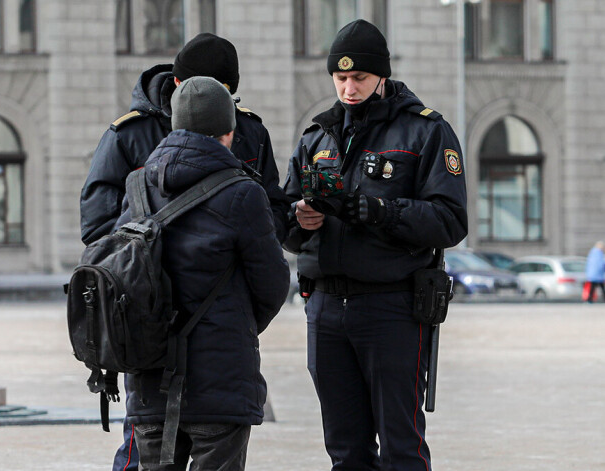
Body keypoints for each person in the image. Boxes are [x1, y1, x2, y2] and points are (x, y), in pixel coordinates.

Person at [78, 33, 289, 471]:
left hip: (172, 360)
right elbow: (102, 240)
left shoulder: (250, 130)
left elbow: (275, 214)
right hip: (162, 346)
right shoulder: (128, 136)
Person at [282, 20, 468, 471]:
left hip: (392, 308)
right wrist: (299, 220)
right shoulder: (317, 136)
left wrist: (380, 211)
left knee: (401, 449)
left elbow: (450, 219)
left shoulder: (425, 132)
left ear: (381, 75)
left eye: (359, 78)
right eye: (341, 78)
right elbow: (283, 222)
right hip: (325, 307)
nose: (349, 88)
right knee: (345, 451)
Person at [80, 32, 288, 246]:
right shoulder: (129, 135)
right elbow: (98, 225)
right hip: (154, 274)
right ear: (177, 81)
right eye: (201, 93)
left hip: (231, 274)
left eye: (221, 94)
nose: (211, 103)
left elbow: (275, 209)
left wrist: (245, 247)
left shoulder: (251, 131)